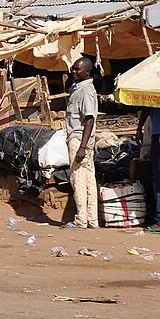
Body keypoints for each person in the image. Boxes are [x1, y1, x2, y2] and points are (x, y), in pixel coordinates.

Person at [65, 58, 99, 229]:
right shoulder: (77, 88)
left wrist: (82, 147)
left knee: (78, 180)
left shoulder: (86, 90)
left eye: (77, 70)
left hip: (79, 139)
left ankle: (81, 220)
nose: (74, 72)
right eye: (73, 69)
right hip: (82, 141)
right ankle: (91, 220)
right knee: (88, 180)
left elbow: (89, 120)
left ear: (87, 72)